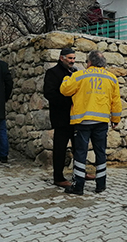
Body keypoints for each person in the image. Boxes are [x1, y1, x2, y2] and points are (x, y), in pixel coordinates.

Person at [60, 50, 122, 195]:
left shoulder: (80, 75)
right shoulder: (112, 78)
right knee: (100, 152)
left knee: (80, 153)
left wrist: (66, 78)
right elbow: (116, 102)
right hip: (101, 122)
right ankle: (101, 185)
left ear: (89, 63)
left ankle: (78, 186)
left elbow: (65, 90)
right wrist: (115, 119)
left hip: (83, 121)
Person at [43, 48, 82, 187]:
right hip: (61, 118)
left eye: (74, 58)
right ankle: (58, 177)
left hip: (75, 117)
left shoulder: (75, 73)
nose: (72, 61)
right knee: (60, 149)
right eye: (70, 58)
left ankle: (80, 173)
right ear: (62, 58)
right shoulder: (53, 73)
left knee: (79, 147)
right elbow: (49, 93)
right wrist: (68, 101)